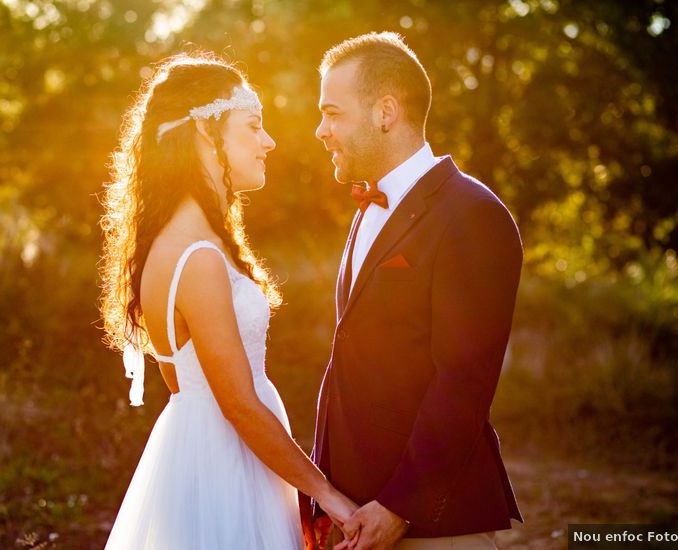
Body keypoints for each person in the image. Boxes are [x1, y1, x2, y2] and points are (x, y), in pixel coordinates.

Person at [98, 52, 357, 550]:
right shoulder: (198, 256)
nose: (269, 142)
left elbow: (183, 380)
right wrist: (328, 495)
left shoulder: (172, 245)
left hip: (204, 457)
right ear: (204, 133)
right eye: (253, 126)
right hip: (226, 469)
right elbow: (238, 403)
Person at [306, 32, 524, 550]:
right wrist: (326, 496)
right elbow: (350, 361)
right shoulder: (366, 214)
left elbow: (463, 381)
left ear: (386, 112)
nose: (321, 131)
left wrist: (402, 506)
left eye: (333, 113)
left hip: (432, 525)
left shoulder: (471, 213)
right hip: (357, 517)